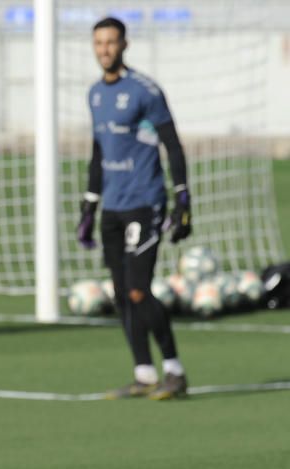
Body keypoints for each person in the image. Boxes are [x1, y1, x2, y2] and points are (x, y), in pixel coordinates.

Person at [76, 16, 192, 400]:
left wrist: (183, 198)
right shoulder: (95, 94)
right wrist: (90, 206)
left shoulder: (145, 91)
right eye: (98, 43)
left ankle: (174, 370)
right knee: (122, 293)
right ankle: (144, 373)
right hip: (113, 206)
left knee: (140, 290)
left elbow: (171, 145)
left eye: (111, 42)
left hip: (145, 203)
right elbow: (98, 152)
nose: (104, 49)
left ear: (124, 44)